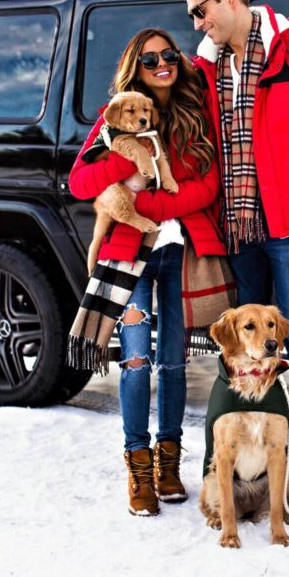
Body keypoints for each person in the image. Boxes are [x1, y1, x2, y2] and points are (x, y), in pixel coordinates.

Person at [169, 0, 289, 517]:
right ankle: (251, 453)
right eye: (192, 15)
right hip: (239, 230)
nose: (197, 23)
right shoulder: (203, 68)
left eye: (201, 10)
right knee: (244, 349)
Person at [68, 28, 225, 516]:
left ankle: (169, 462)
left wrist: (149, 202)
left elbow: (208, 184)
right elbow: (79, 183)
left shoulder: (192, 113)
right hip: (127, 255)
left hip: (180, 251)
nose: (163, 63)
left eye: (170, 55)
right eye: (151, 57)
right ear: (136, 65)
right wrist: (124, 161)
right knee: (135, 359)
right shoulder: (113, 119)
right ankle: (137, 469)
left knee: (175, 362)